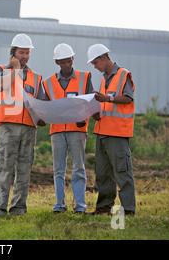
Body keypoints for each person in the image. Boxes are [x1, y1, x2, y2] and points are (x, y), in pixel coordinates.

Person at [0, 33, 46, 216]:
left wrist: (43, 116)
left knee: (24, 169)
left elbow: (42, 102)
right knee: (4, 166)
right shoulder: (0, 70)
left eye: (27, 53)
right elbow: (1, 87)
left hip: (29, 128)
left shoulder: (36, 77)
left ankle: (18, 207)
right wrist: (14, 70)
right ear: (13, 53)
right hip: (9, 126)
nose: (25, 56)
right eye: (21, 53)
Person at [42, 43, 94, 214]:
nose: (67, 65)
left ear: (73, 59)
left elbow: (91, 102)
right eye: (63, 62)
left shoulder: (85, 77)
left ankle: (80, 206)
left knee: (79, 168)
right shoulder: (48, 83)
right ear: (57, 62)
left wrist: (83, 118)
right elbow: (45, 107)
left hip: (77, 130)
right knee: (58, 169)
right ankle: (59, 205)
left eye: (69, 61)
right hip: (57, 131)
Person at [87, 43, 136, 216]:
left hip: (117, 132)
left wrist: (107, 98)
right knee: (103, 173)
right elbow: (106, 104)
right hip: (102, 131)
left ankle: (128, 210)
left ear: (104, 58)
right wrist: (96, 112)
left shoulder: (123, 74)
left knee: (122, 172)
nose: (95, 66)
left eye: (95, 62)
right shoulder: (103, 79)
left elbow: (128, 98)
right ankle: (104, 207)